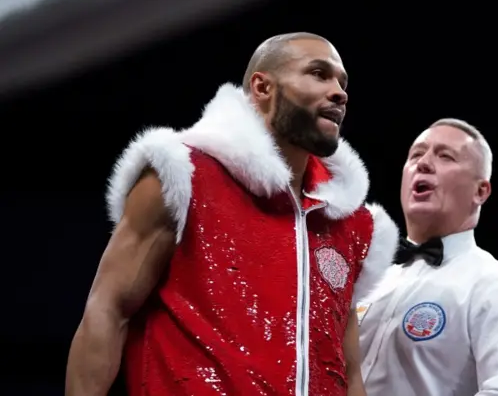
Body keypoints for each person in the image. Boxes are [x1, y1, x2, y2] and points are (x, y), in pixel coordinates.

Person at [65, 32, 399, 396]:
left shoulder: (350, 224)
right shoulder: (184, 174)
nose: (339, 92)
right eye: (319, 74)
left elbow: (348, 370)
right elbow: (107, 311)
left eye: (342, 82)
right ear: (262, 87)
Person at [357, 118, 498, 396]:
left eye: (445, 156)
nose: (423, 163)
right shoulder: (368, 282)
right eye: (415, 154)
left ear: (480, 191)